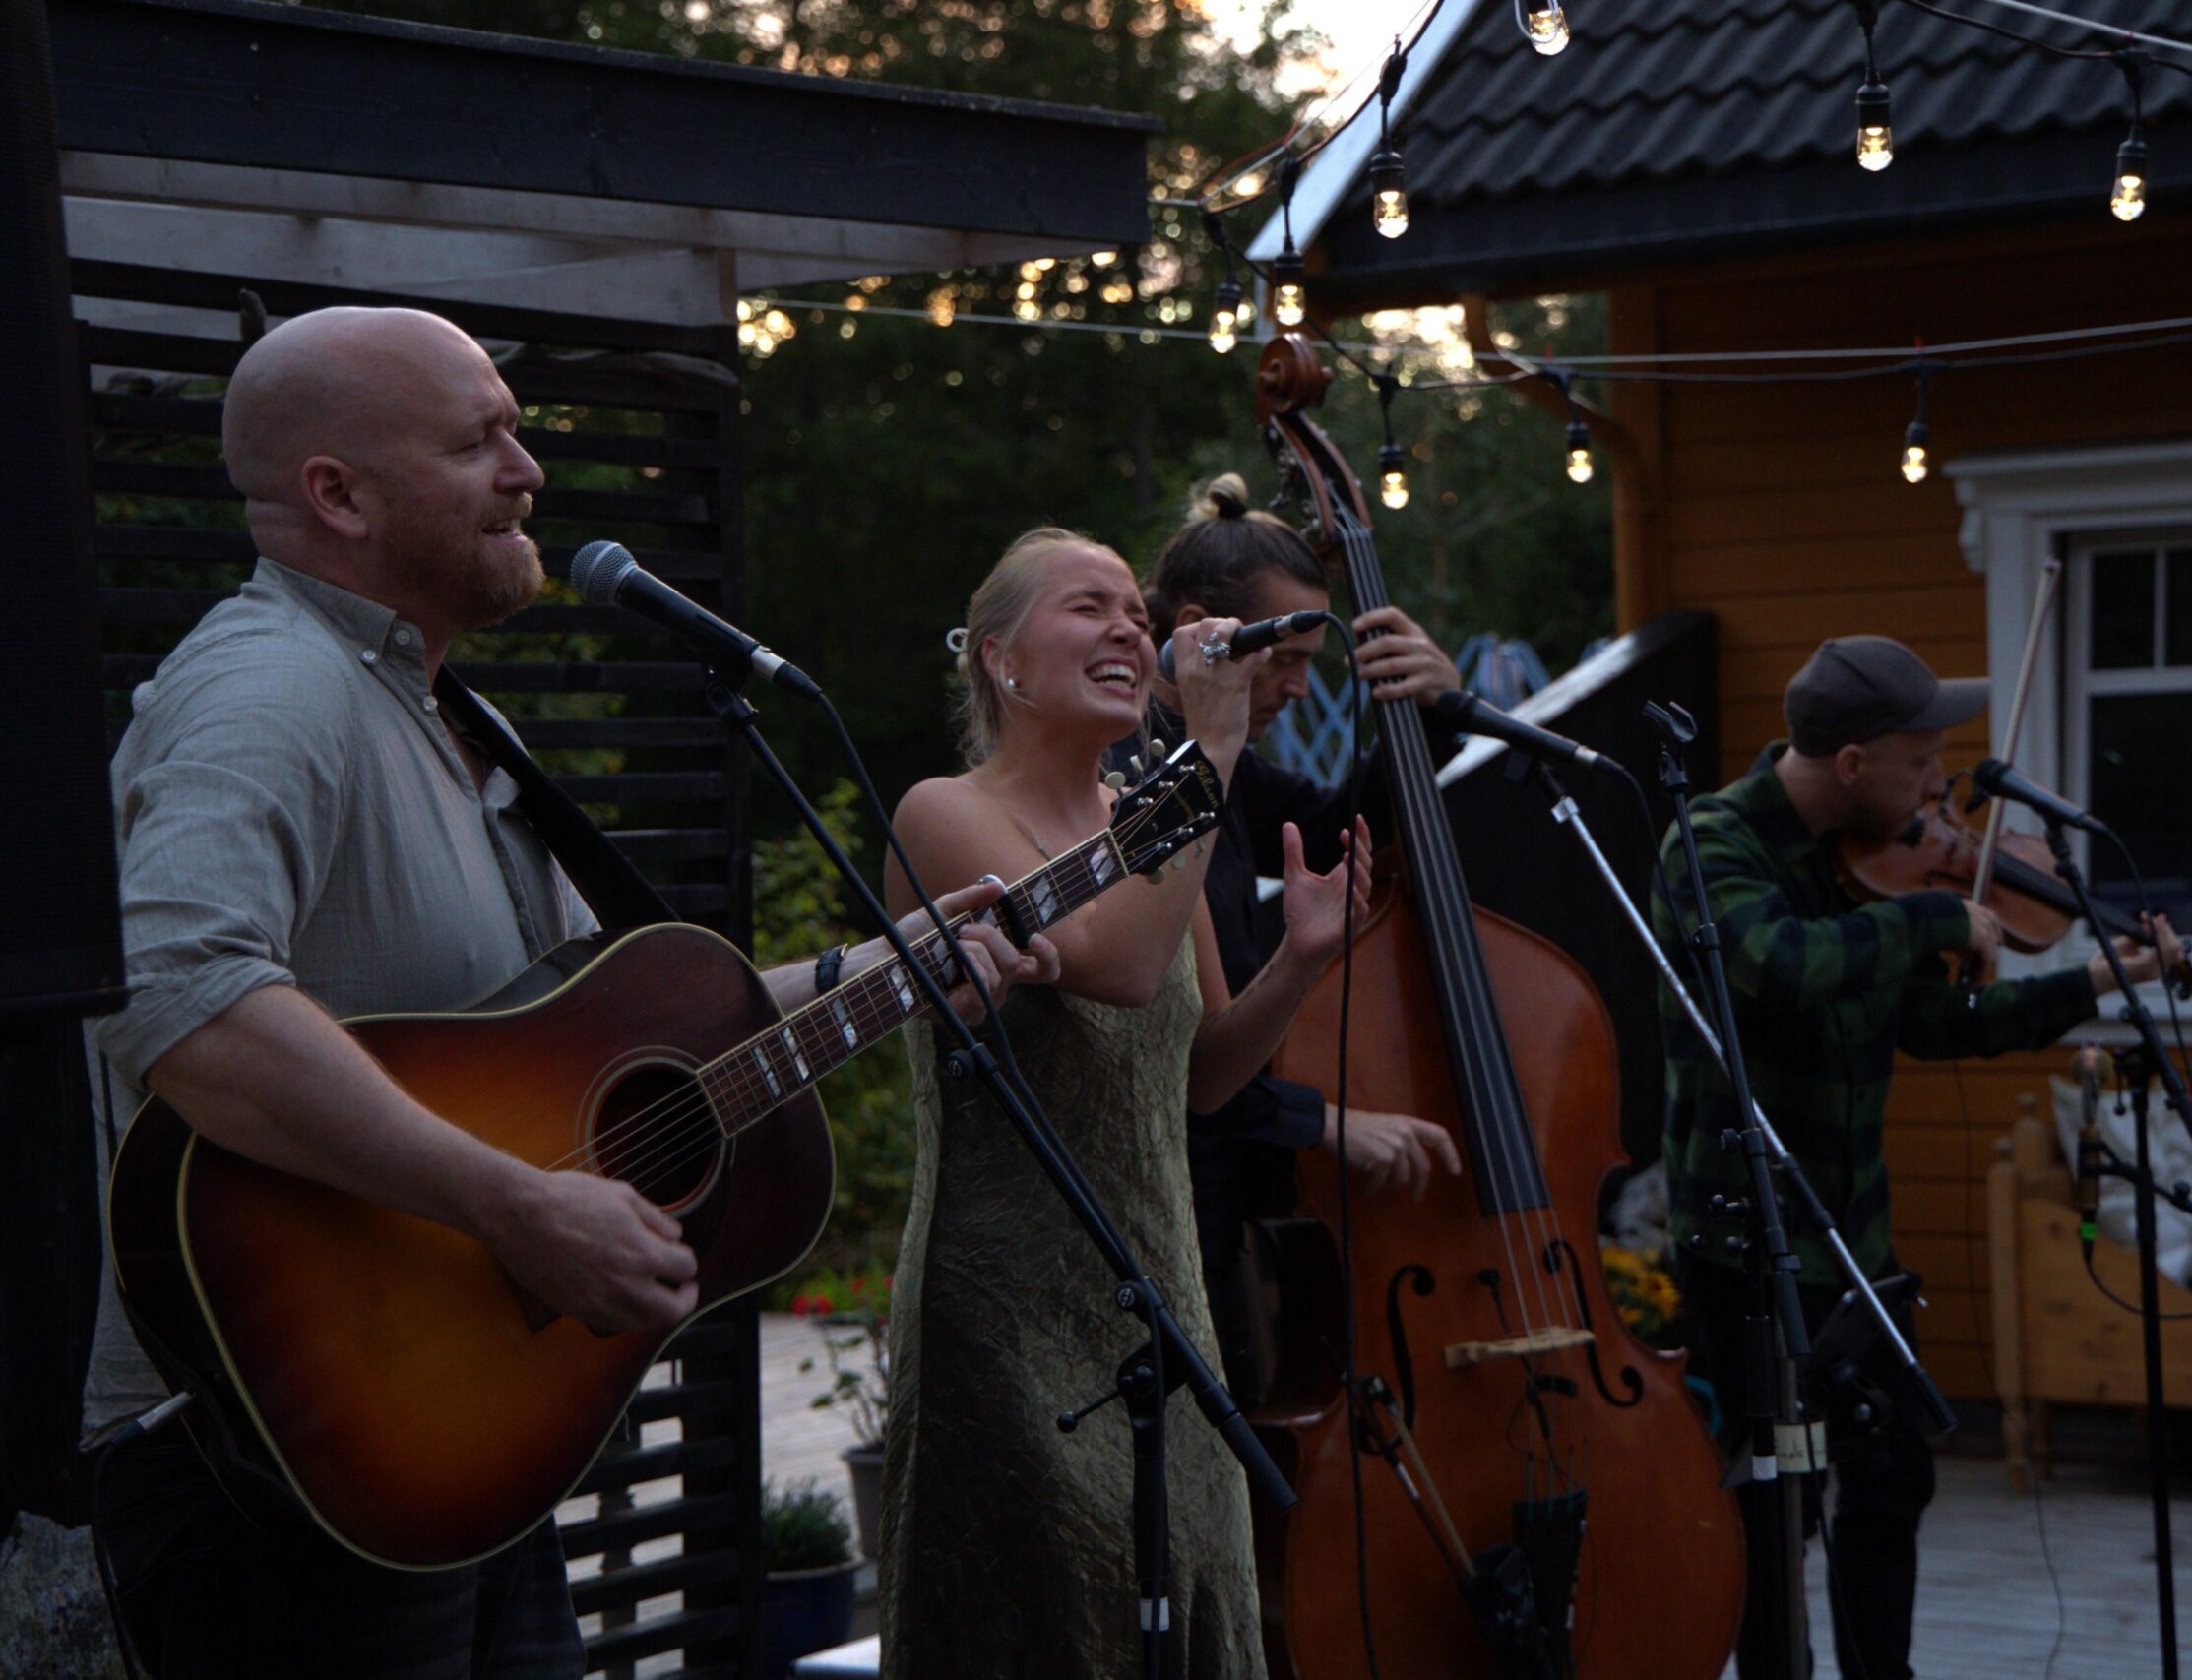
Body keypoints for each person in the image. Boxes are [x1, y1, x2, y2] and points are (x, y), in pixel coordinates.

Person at [81, 305, 1051, 1680]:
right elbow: (177, 991)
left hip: (452, 1439)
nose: (529, 471)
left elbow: (617, 1037)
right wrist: (514, 1203)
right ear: (337, 495)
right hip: (284, 1464)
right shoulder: (265, 687)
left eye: (518, 432)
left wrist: (885, 969)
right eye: (481, 441)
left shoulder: (454, 715)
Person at [877, 527, 1374, 1679]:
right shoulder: (943, 811)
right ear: (999, 660)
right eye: (1087, 608)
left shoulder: (1148, 816)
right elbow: (1118, 968)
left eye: (1133, 616)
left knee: (1186, 1588)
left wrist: (1299, 962)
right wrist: (1209, 749)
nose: (1126, 630)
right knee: (1050, 1611)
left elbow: (1198, 1073)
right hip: (1004, 1308)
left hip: (1159, 1290)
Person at [1659, 634, 2185, 1680]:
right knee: (1774, 1506)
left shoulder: (1879, 873)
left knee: (1891, 1473)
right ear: (1852, 764)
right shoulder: (1713, 841)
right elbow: (1774, 963)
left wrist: (2093, 982)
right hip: (1748, 1237)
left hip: (1856, 1236)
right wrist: (1939, 912)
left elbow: (1942, 1024)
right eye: (1921, 765)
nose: (1942, 790)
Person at [1130, 472, 1467, 1401]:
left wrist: (1427, 715)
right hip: (1164, 1202)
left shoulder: (1221, 761)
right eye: (1284, 657)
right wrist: (1323, 1123)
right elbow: (1179, 1051)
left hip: (1217, 1188)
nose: (1299, 687)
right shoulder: (1140, 772)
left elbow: (1339, 823)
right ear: (1202, 628)